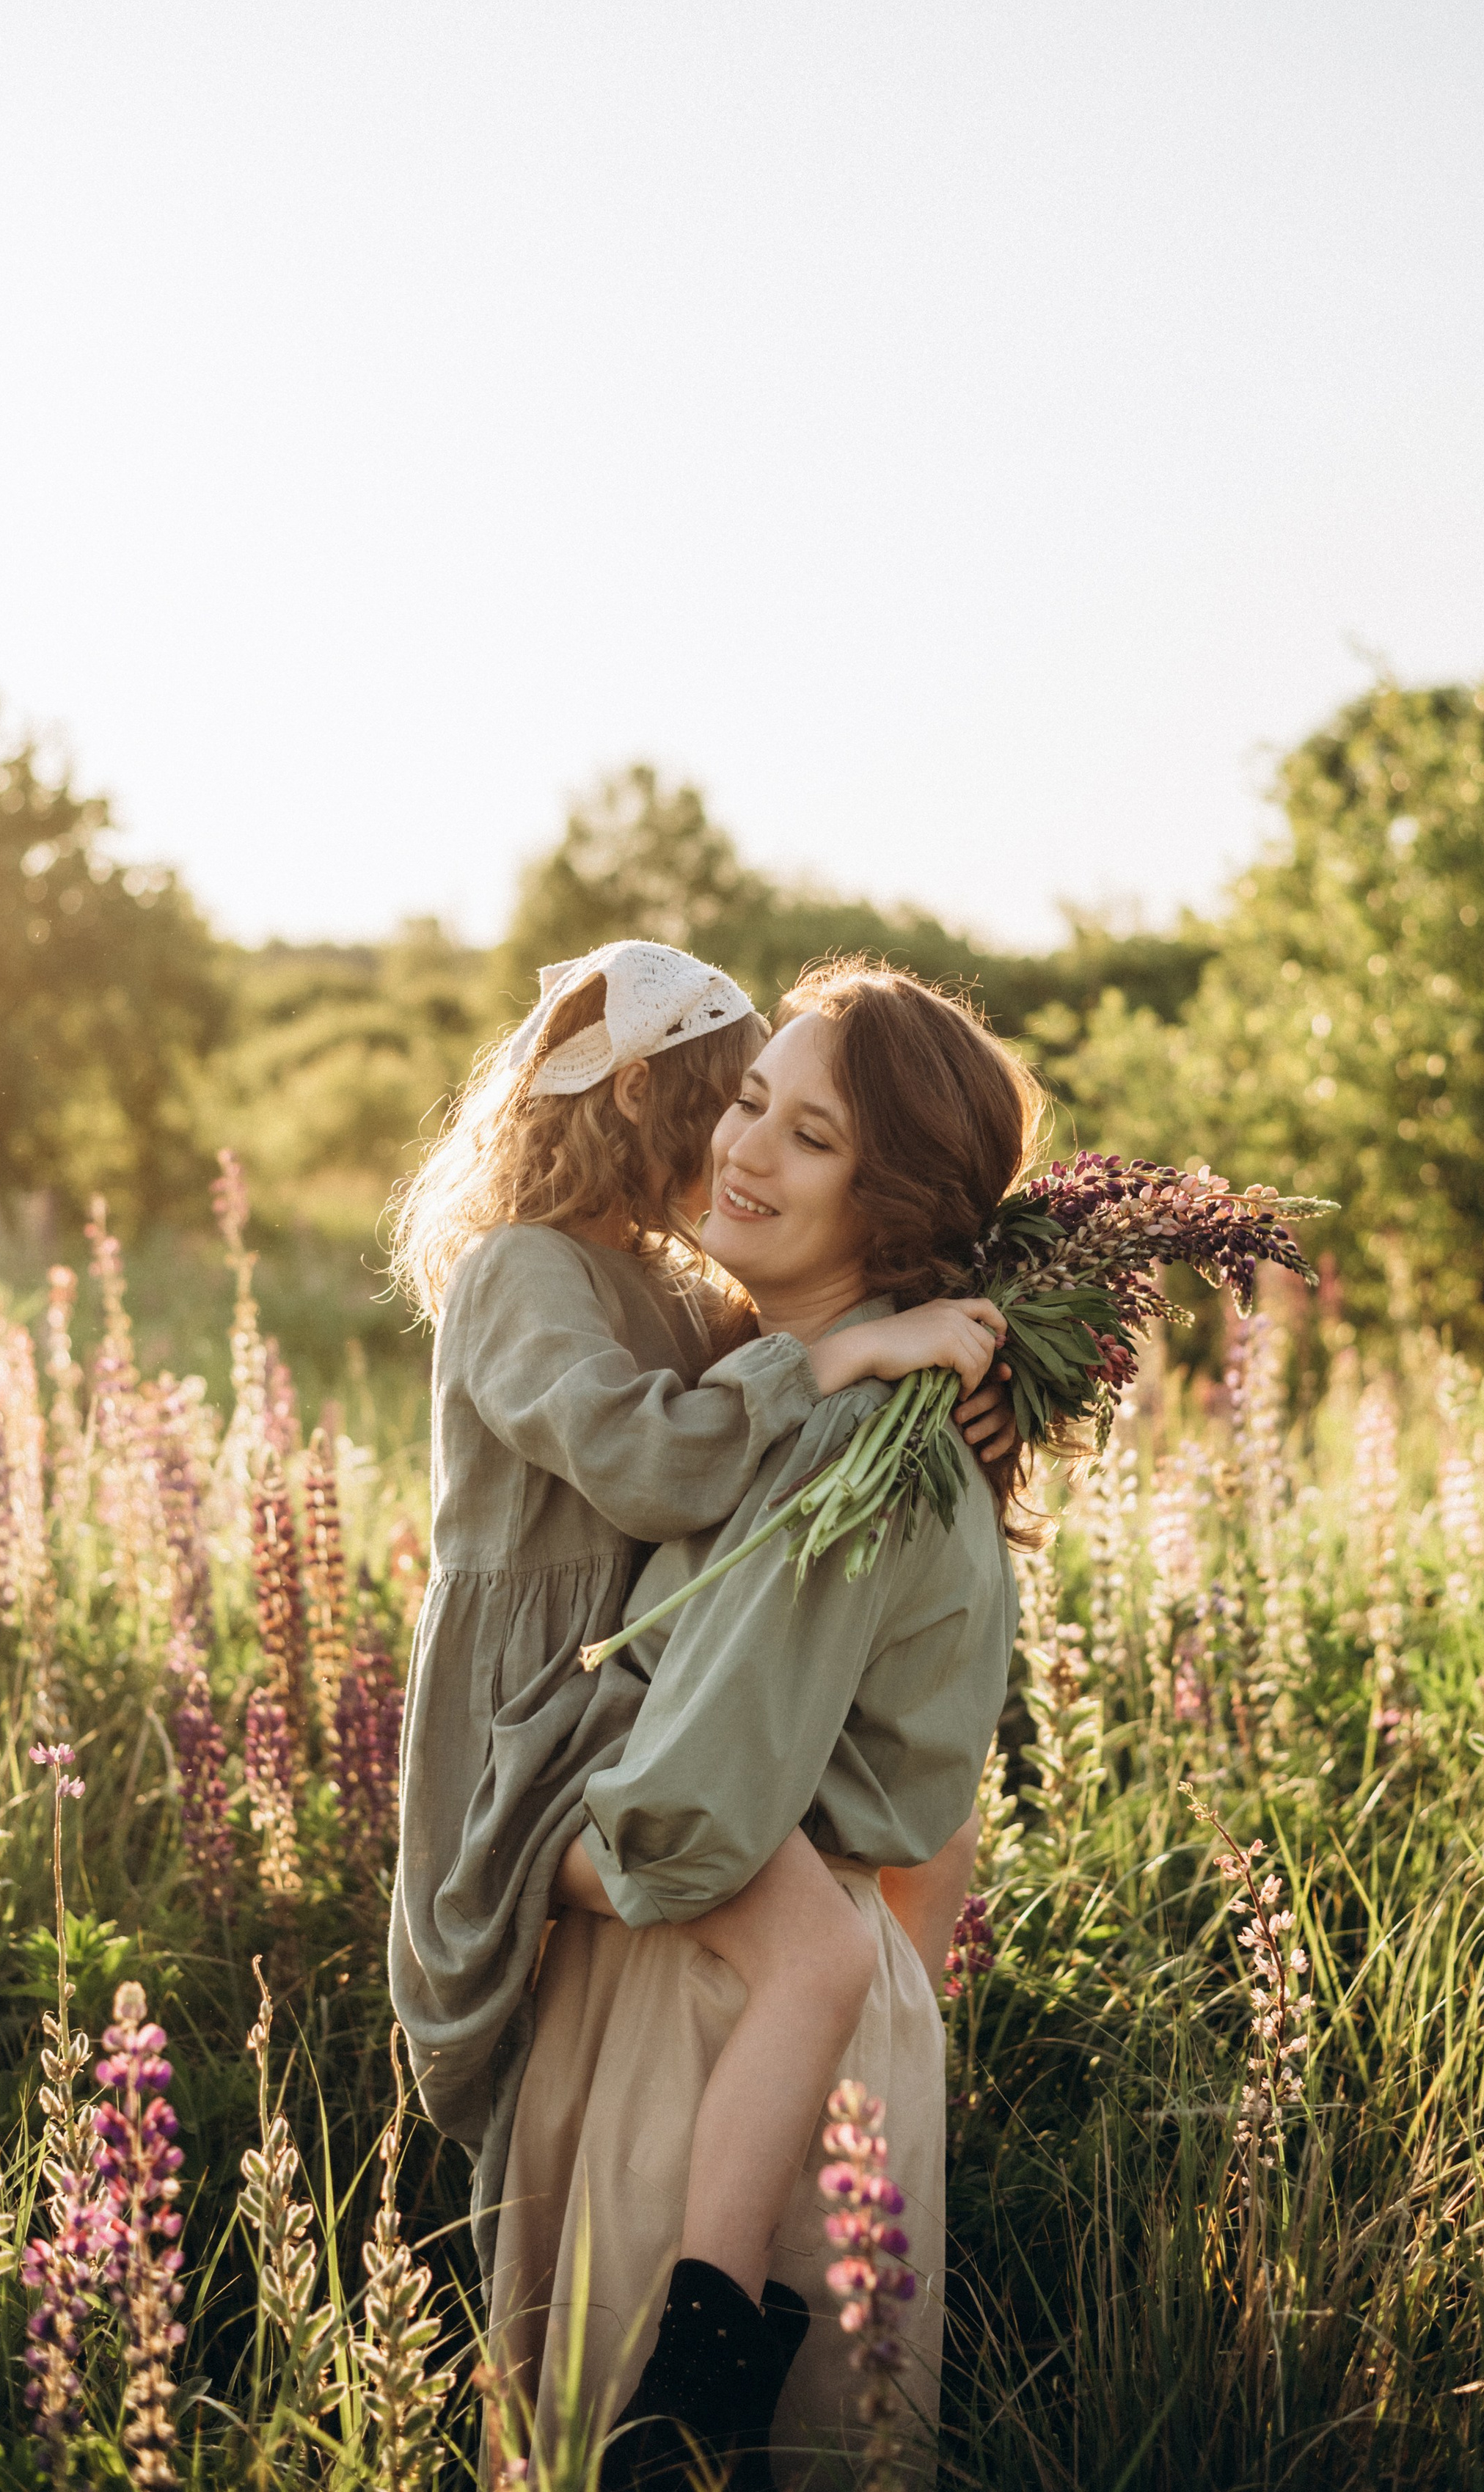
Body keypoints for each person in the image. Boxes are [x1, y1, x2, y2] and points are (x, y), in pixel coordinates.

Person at [387, 943, 1015, 2321]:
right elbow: (661, 1463)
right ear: (651, 1112)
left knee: (806, 1961)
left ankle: (704, 2332)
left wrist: (961, 1364)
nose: (738, 1146)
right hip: (531, 1714)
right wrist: (851, 1354)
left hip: (622, 1713)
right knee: (547, 2132)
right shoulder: (518, 1275)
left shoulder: (689, 1300)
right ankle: (694, 2331)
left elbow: (781, 1372)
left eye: (795, 1125)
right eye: (735, 1105)